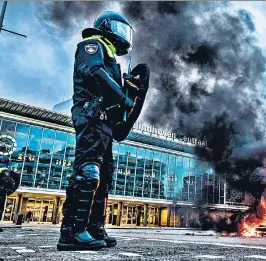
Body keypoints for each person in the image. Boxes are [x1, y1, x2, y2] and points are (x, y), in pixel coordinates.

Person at [57, 11, 149, 251]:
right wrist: (122, 96)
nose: (123, 36)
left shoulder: (111, 58)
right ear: (107, 27)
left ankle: (94, 227)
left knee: (104, 177)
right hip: (91, 116)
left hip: (105, 124)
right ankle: (72, 232)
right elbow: (94, 73)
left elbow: (117, 102)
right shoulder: (92, 45)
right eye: (120, 28)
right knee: (87, 172)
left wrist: (132, 93)